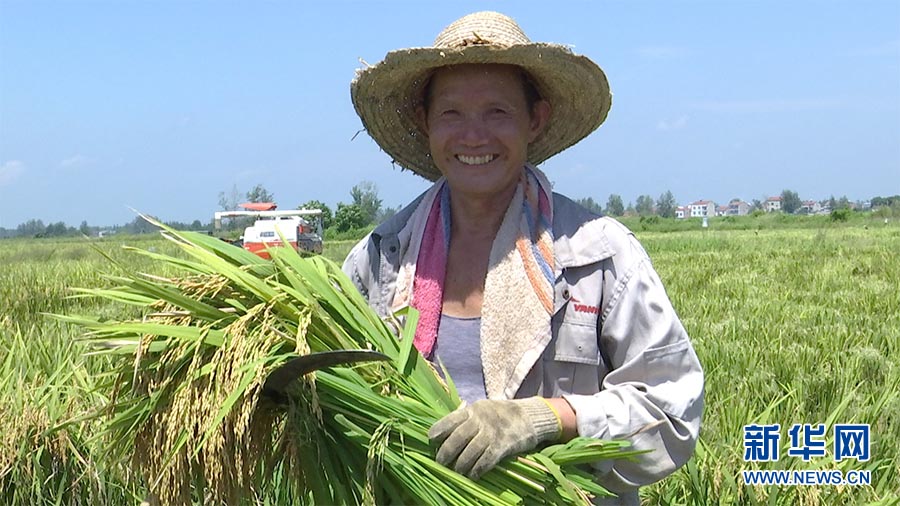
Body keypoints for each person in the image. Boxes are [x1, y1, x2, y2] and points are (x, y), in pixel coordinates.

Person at [343, 11, 704, 505]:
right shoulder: (382, 259)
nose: (474, 136)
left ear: (535, 120)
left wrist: (548, 419)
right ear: (425, 122)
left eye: (498, 112)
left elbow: (671, 411)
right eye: (451, 113)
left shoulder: (598, 254)